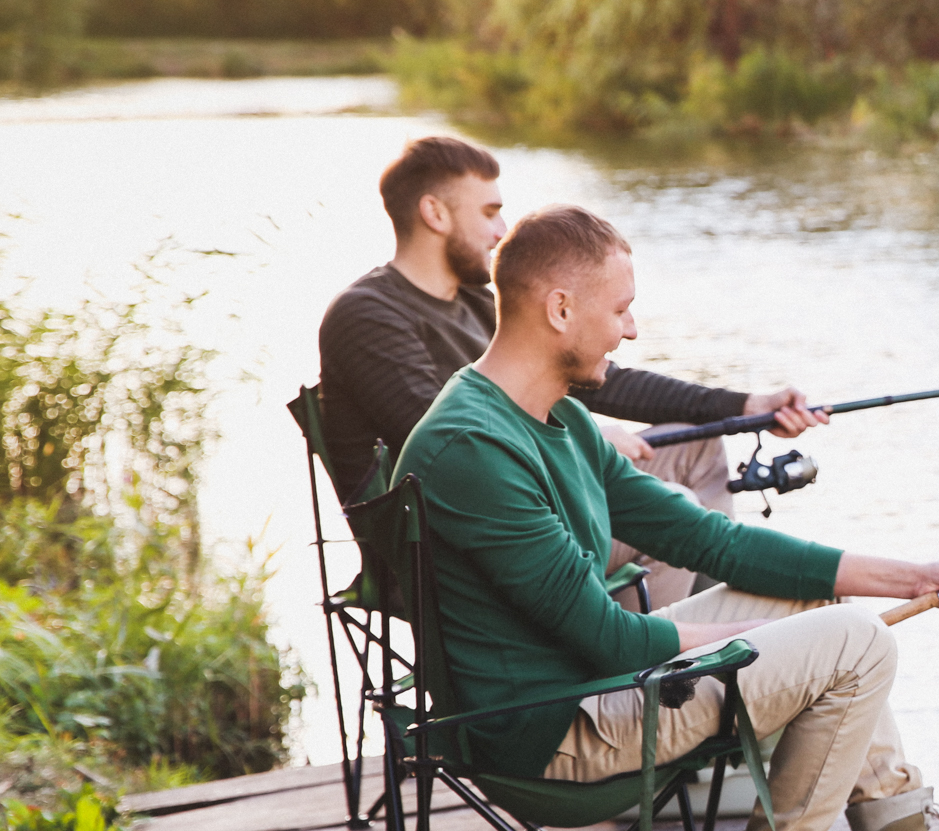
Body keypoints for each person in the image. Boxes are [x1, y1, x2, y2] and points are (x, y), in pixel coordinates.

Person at [392, 204, 939, 831]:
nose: (630, 331)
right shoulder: (474, 447)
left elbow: (715, 545)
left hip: (591, 692)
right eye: (620, 308)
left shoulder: (555, 419)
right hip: (558, 732)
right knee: (854, 643)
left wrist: (917, 574)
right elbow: (608, 638)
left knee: (820, 605)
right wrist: (766, 642)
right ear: (560, 307)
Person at [318, 135, 822, 607]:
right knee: (674, 507)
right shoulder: (366, 315)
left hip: (536, 491)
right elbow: (439, 437)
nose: (500, 232)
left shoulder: (474, 301)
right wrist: (594, 440)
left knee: (697, 443)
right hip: (460, 543)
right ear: (434, 212)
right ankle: (650, 678)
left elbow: (604, 379)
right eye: (490, 212)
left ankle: (710, 637)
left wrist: (743, 406)